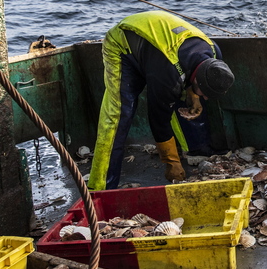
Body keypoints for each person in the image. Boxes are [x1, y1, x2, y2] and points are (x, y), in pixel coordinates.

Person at [88, 11, 235, 190]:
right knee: (119, 114)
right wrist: (171, 162)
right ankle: (101, 186)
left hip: (159, 44)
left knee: (179, 92)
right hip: (124, 42)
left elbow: (194, 75)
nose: (205, 98)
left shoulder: (214, 55)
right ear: (198, 79)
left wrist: (194, 95)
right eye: (204, 93)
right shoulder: (168, 77)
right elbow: (158, 120)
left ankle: (197, 150)